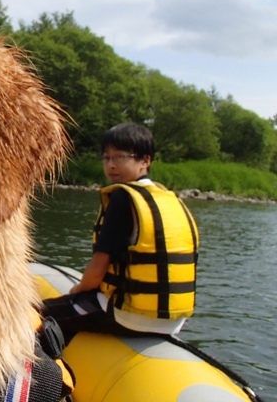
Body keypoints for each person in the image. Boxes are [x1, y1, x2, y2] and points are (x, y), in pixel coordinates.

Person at [43, 122, 199, 339]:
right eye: (106, 158)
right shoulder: (170, 199)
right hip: (173, 322)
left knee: (36, 314)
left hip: (127, 316)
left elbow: (99, 266)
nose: (111, 165)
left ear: (145, 160)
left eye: (119, 157)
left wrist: (76, 292)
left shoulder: (122, 198)